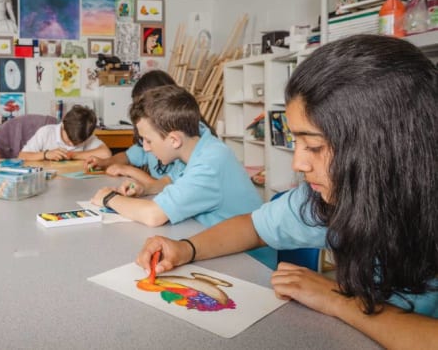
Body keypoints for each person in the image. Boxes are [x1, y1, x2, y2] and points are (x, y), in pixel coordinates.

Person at [136, 35, 438, 347]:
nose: (298, 163)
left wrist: (340, 301)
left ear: (385, 144)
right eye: (297, 143)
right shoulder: (327, 195)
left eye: (315, 145)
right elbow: (253, 226)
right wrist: (186, 248)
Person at [91, 85, 261, 227]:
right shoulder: (194, 142)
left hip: (248, 259)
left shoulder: (209, 163)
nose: (146, 148)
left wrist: (109, 198)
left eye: (148, 140)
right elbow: (170, 183)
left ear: (174, 140)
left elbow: (153, 215)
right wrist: (145, 188)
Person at [86, 70, 188, 187]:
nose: (145, 147)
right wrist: (104, 162)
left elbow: (166, 187)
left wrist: (128, 171)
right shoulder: (152, 136)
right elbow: (131, 155)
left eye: (149, 141)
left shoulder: (184, 145)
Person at [18, 105, 111, 161]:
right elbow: (22, 156)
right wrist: (45, 154)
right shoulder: (46, 132)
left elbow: (106, 154)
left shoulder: (84, 133)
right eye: (69, 139)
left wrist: (73, 155)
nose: (71, 144)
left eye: (76, 143)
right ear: (63, 125)